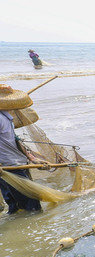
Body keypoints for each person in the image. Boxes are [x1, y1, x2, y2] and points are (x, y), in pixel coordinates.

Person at [0, 85, 49, 213]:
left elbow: (15, 139)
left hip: (16, 165)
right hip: (8, 168)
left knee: (17, 207)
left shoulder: (6, 117)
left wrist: (32, 158)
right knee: (32, 207)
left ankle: (19, 228)